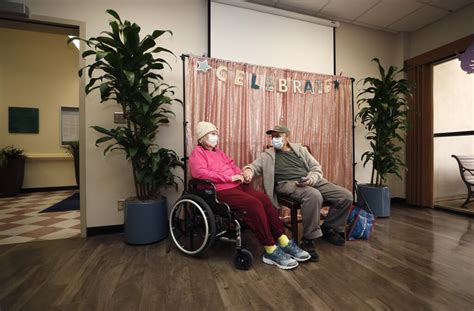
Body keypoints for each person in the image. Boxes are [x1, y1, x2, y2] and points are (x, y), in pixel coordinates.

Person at [188, 121, 310, 270]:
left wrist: (240, 174)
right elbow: (199, 173)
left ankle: (283, 240)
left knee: (264, 199)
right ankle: (270, 249)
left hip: (237, 186)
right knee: (253, 204)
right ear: (203, 137)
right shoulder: (197, 153)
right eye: (212, 134)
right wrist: (228, 178)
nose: (216, 137)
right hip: (218, 191)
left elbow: (231, 165)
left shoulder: (218, 152)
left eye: (216, 134)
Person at [242, 125, 353, 262]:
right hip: (287, 183)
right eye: (272, 136)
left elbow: (316, 167)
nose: (274, 139)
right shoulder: (267, 155)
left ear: (287, 137)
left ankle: (329, 228)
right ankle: (308, 239)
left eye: (278, 136)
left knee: (346, 196)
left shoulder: (301, 150)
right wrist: (248, 171)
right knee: (313, 195)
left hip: (309, 180)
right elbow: (254, 167)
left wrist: (310, 179)